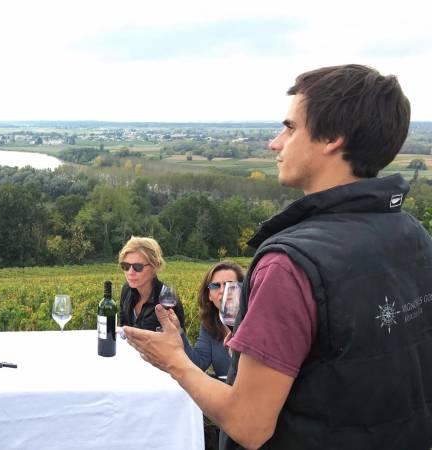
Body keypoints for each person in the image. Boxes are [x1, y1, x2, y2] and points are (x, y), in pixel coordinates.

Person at [124, 64, 432, 450]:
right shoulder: (414, 234)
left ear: (332, 139)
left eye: (289, 128)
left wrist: (174, 361)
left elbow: (248, 425)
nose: (275, 143)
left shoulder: (290, 264)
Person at [178, 260, 244, 378]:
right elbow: (199, 363)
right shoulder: (210, 325)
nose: (223, 291)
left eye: (231, 285)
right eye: (216, 285)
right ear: (209, 295)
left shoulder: (255, 323)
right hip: (223, 393)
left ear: (243, 290)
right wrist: (178, 330)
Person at [118, 236, 186, 332]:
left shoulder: (167, 299)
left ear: (155, 266)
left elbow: (175, 340)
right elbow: (123, 327)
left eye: (138, 267)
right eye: (125, 266)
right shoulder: (127, 289)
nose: (130, 272)